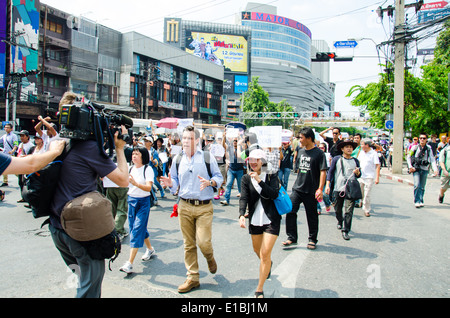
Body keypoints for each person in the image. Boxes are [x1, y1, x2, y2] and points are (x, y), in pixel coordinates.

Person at [48, 92, 130, 298]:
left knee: (82, 279)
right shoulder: (88, 148)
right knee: (89, 288)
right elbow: (122, 180)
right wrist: (119, 148)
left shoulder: (58, 142)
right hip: (78, 231)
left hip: (56, 228)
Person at [160, 126, 223, 293]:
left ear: (197, 140)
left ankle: (209, 257)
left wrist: (210, 183)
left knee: (203, 242)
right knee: (188, 244)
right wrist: (170, 185)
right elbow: (173, 178)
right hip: (184, 205)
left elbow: (219, 177)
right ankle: (193, 277)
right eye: (184, 138)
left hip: (204, 207)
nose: (186, 141)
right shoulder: (178, 158)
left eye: (189, 138)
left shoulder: (208, 157)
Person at [239, 149, 280, 298]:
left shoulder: (271, 175)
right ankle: (267, 264)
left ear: (262, 161)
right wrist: (241, 214)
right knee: (258, 250)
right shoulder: (245, 178)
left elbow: (274, 194)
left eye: (256, 160)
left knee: (264, 253)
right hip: (255, 220)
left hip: (271, 219)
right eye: (251, 160)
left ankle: (259, 289)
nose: (253, 163)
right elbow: (243, 197)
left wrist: (259, 180)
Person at [283, 127, 327, 250]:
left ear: (309, 138)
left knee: (311, 215)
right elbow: (298, 169)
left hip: (311, 190)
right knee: (290, 210)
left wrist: (320, 189)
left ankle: (312, 239)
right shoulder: (301, 151)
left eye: (301, 138)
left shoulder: (319, 154)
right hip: (298, 188)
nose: (299, 140)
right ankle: (292, 237)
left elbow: (323, 171)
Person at [119, 146, 156, 274]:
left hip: (143, 202)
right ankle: (150, 249)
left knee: (136, 230)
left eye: (137, 154)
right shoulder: (130, 168)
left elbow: (148, 188)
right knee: (139, 228)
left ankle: (129, 263)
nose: (134, 156)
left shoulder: (148, 169)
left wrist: (135, 183)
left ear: (143, 156)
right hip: (131, 201)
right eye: (133, 154)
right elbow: (124, 184)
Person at [325, 140, 361, 240]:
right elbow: (330, 172)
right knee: (337, 209)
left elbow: (358, 175)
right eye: (347, 147)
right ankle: (340, 221)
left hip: (351, 189)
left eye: (350, 147)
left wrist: (357, 173)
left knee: (349, 211)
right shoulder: (337, 159)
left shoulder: (355, 161)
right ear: (342, 149)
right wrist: (327, 185)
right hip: (338, 188)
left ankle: (346, 230)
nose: (349, 149)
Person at [407, 133, 438, 208]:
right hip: (416, 169)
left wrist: (435, 169)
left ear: (426, 139)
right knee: (417, 185)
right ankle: (417, 201)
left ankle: (421, 200)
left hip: (425, 169)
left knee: (422, 186)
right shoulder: (415, 147)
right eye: (420, 138)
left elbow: (432, 159)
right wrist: (410, 166)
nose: (422, 140)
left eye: (424, 138)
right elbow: (408, 156)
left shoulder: (428, 148)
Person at [357, 138, 380, 217]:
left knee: (367, 194)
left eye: (362, 144)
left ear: (367, 145)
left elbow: (377, 165)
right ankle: (362, 201)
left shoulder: (373, 153)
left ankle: (366, 209)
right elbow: (358, 162)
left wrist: (377, 178)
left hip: (369, 177)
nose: (361, 146)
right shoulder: (361, 153)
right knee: (361, 192)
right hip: (361, 176)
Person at [221, 134, 244, 206]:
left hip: (240, 170)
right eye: (234, 140)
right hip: (231, 170)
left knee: (241, 187)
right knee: (228, 185)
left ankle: (243, 202)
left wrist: (241, 139)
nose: (235, 142)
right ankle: (226, 200)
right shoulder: (230, 147)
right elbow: (223, 145)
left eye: (236, 141)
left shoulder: (241, 148)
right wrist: (224, 136)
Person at [438, 138, 450, 203]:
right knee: (443, 187)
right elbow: (441, 161)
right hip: (446, 172)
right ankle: (441, 195)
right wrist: (444, 170)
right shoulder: (445, 151)